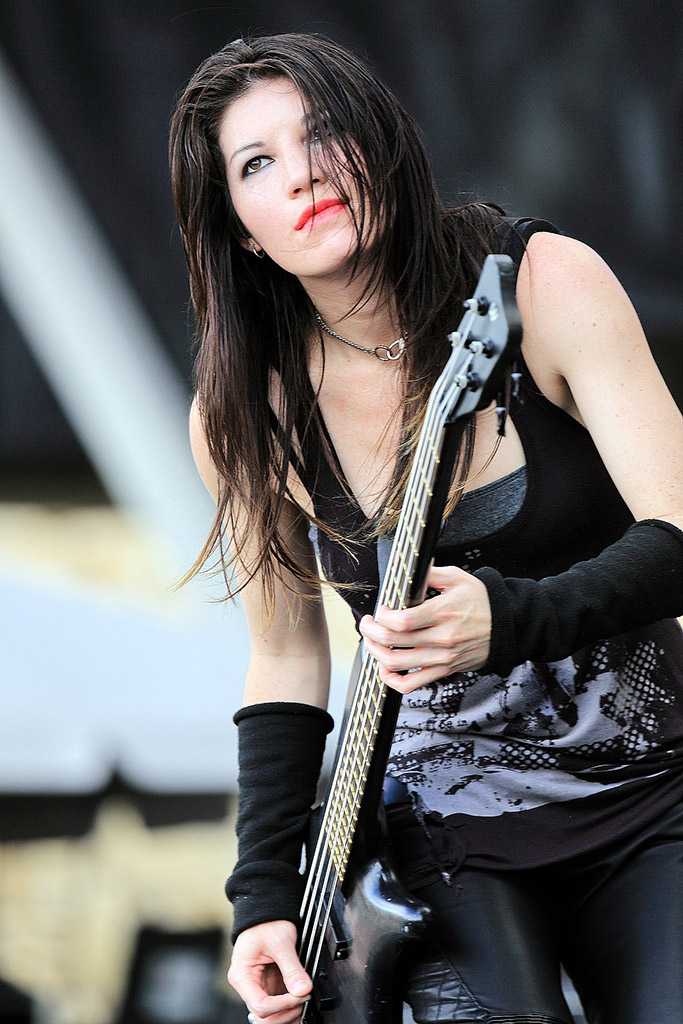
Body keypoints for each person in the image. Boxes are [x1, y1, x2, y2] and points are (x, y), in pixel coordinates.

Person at [169, 32, 683, 1024]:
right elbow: (284, 657)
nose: (302, 174)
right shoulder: (244, 412)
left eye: (322, 133)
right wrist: (261, 895)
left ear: (380, 143)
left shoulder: (541, 285)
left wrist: (515, 617)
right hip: (441, 838)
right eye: (256, 163)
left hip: (648, 795)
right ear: (240, 228)